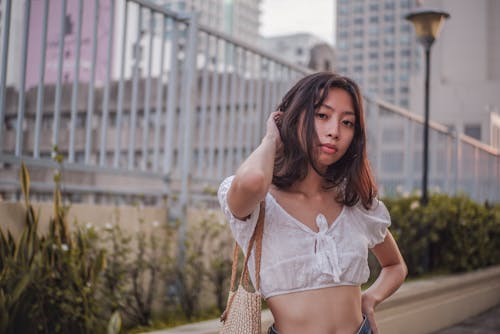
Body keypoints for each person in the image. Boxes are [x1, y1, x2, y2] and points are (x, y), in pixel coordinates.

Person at [217, 72, 407, 334]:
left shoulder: (354, 202)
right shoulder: (261, 202)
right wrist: (272, 138)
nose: (335, 132)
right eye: (322, 116)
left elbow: (395, 266)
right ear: (294, 118)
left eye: (348, 122)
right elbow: (253, 180)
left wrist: (370, 299)